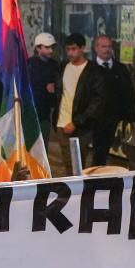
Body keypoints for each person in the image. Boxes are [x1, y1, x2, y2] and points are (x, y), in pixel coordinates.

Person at [78, 34, 135, 168]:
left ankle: (99, 176)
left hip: (112, 118)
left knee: (103, 149)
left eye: (109, 46)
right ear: (96, 48)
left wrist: (131, 117)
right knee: (92, 151)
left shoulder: (120, 69)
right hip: (92, 118)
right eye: (104, 46)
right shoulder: (89, 69)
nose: (107, 49)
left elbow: (128, 94)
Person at [51, 33, 95, 176]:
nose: (70, 52)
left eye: (74, 49)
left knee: (79, 163)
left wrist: (76, 122)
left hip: (81, 126)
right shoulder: (63, 67)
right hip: (61, 123)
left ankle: (79, 193)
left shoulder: (92, 71)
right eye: (68, 49)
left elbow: (95, 102)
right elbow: (60, 93)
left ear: (82, 48)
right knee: (68, 164)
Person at [27, 32, 61, 141]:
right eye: (47, 47)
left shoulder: (54, 65)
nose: (50, 50)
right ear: (38, 48)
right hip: (29, 114)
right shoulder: (29, 65)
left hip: (45, 115)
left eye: (52, 47)